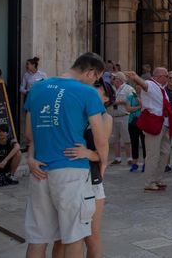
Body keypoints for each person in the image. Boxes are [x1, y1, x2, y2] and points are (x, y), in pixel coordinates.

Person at [24, 52, 108, 258]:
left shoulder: (37, 88)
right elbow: (100, 138)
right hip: (72, 170)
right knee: (74, 236)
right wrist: (101, 161)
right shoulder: (87, 92)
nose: (94, 82)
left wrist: (30, 158)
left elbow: (29, 135)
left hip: (40, 170)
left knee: (38, 239)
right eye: (96, 78)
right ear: (90, 72)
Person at [62, 79, 114, 258]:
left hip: (91, 178)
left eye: (98, 87)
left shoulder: (106, 118)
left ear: (106, 98)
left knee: (91, 235)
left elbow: (102, 155)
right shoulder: (78, 112)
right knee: (65, 237)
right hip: (69, 175)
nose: (93, 88)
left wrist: (87, 153)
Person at [125, 68, 172, 192]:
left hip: (164, 123)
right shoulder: (151, 84)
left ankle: (157, 179)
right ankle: (149, 182)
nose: (168, 78)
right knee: (153, 154)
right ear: (158, 76)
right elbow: (144, 84)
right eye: (166, 76)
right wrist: (135, 77)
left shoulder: (162, 88)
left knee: (165, 152)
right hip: (154, 123)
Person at [109, 73, 136, 166]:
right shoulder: (111, 88)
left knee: (127, 138)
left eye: (114, 78)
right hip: (113, 116)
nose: (112, 80)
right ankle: (117, 158)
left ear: (120, 79)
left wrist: (120, 102)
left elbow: (134, 100)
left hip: (125, 116)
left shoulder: (129, 89)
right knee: (115, 139)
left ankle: (129, 158)